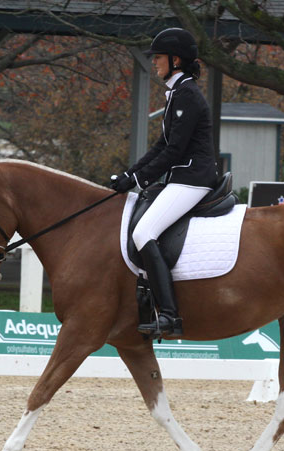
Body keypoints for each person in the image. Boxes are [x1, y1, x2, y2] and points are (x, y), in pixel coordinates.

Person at [111, 27, 219, 337]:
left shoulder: (187, 95)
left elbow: (173, 152)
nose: (154, 63)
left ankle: (170, 316)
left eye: (158, 58)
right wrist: (129, 174)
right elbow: (161, 146)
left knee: (144, 232)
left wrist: (137, 177)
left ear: (175, 60)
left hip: (193, 179)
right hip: (183, 176)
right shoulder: (176, 92)